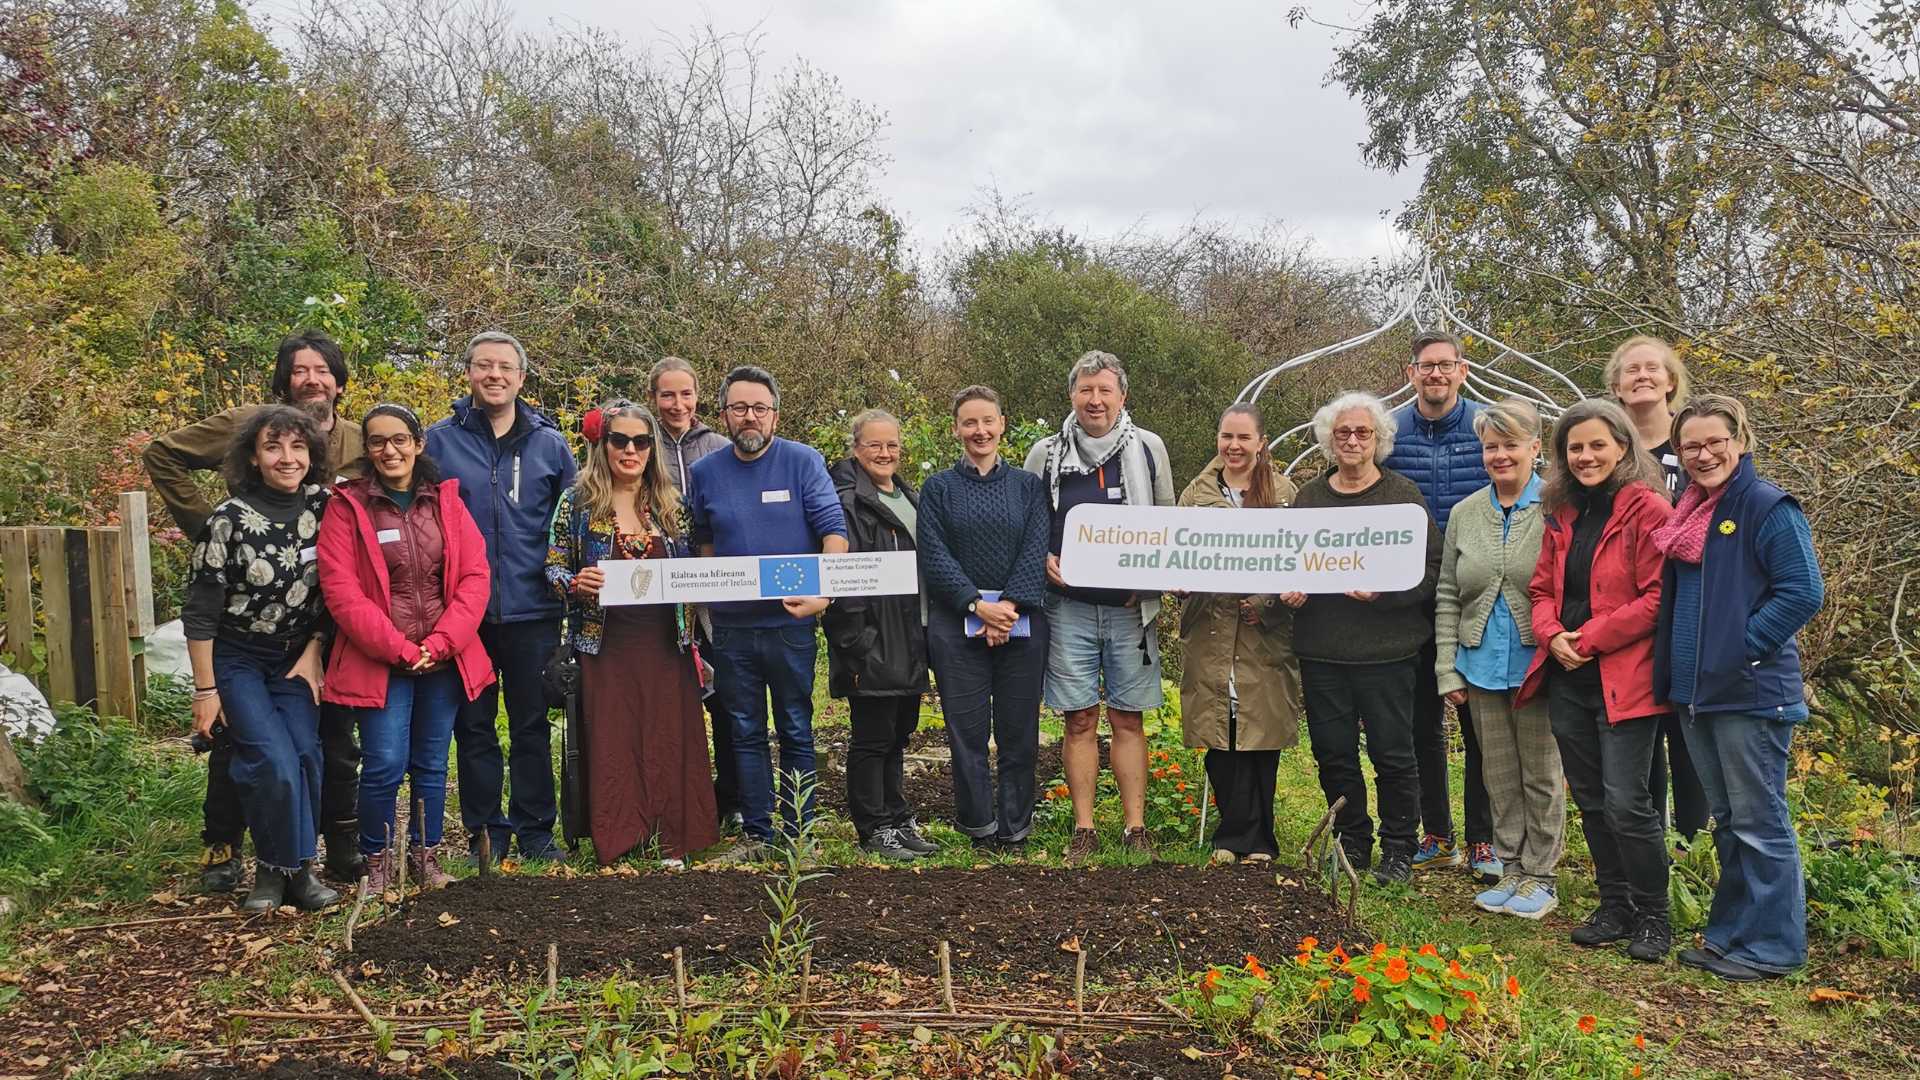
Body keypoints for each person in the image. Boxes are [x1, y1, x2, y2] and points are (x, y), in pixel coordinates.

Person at [144, 330, 368, 891]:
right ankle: (223, 850)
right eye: (299, 370)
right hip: (241, 635)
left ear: (340, 381)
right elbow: (163, 454)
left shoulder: (362, 442)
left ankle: (326, 852)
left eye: (322, 370)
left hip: (319, 628)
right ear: (283, 379)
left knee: (326, 745)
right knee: (241, 744)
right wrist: (214, 533)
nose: (311, 379)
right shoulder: (248, 424)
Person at [1654, 395, 1824, 981]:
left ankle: (1775, 947)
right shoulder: (1690, 509)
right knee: (1728, 820)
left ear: (1740, 440)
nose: (1702, 454)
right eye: (1690, 445)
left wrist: (1740, 647)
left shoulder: (1765, 506)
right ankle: (1730, 937)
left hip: (1749, 693)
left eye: (1713, 442)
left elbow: (1802, 591)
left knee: (1760, 821)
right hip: (1697, 692)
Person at [1517, 399, 1673, 962]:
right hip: (1567, 676)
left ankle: (1655, 915)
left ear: (1624, 447)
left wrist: (1590, 638)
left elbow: (1659, 597)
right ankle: (1615, 905)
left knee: (1628, 801)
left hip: (1624, 677)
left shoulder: (1648, 509)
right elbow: (1540, 591)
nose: (1585, 456)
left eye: (1596, 445)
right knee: (1589, 798)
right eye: (1574, 447)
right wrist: (1552, 634)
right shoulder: (1559, 511)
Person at [316, 405, 494, 892]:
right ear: (367, 450)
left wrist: (439, 644)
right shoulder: (346, 507)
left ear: (418, 443)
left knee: (433, 762)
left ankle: (425, 855)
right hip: (380, 660)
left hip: (443, 656)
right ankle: (376, 861)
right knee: (385, 762)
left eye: (399, 439)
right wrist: (398, 648)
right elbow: (341, 591)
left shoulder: (446, 502)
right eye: (377, 442)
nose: (389, 450)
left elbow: (475, 577)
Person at [424, 331, 577, 862]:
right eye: (483, 365)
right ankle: (485, 834)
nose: (494, 375)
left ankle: (537, 832)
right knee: (474, 726)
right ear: (467, 372)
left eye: (505, 367)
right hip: (465, 615)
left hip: (534, 609)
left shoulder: (550, 444)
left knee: (532, 723)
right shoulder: (438, 443)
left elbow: (571, 525)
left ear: (521, 377)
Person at [547, 401, 720, 867]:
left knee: (667, 737)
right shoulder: (577, 502)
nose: (630, 450)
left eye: (640, 442)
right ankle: (621, 837)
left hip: (666, 643)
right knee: (613, 739)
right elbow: (552, 568)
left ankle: (671, 839)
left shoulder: (671, 505)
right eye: (619, 440)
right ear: (602, 446)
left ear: (651, 450)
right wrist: (574, 582)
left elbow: (695, 571)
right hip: (605, 644)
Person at [686, 366, 848, 859]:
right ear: (723, 415)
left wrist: (825, 595)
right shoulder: (705, 472)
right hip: (732, 629)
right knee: (743, 729)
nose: (750, 417)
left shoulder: (803, 461)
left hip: (790, 625)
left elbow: (833, 533)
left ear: (775, 414)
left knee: (796, 726)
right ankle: (758, 834)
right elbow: (703, 542)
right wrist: (707, 600)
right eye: (739, 408)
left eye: (760, 408)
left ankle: (801, 835)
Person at [183, 406, 339, 913]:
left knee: (307, 756)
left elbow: (341, 587)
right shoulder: (228, 521)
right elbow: (201, 612)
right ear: (254, 456)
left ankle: (299, 871)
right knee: (269, 759)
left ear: (312, 453)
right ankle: (274, 872)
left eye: (297, 447)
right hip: (238, 658)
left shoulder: (327, 507)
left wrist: (316, 648)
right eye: (273, 447)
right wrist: (206, 691)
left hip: (297, 656)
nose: (286, 458)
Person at [1024, 351, 1176, 863]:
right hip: (1067, 606)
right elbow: (1031, 525)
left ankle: (1136, 829)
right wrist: (1043, 558)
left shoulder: (1148, 449)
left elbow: (1167, 527)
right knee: (1080, 719)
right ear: (1072, 395)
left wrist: (1149, 577)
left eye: (1104, 390)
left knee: (1129, 718)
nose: (1095, 400)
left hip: (1131, 609)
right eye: (1086, 390)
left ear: (1122, 396)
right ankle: (1084, 828)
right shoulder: (1045, 454)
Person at [1285, 392, 1442, 885]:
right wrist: (1289, 590)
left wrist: (1385, 594)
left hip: (1387, 653)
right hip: (1322, 651)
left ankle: (1400, 846)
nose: (1352, 440)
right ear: (1329, 441)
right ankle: (1351, 839)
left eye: (1362, 432)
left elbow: (1432, 569)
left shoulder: (1402, 496)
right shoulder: (1309, 498)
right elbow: (1289, 561)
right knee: (1333, 754)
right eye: (1343, 433)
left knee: (1393, 754)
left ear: (1379, 439)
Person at [1434, 398, 1565, 919]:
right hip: (1480, 662)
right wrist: (1448, 668)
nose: (1501, 455)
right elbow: (1448, 593)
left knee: (1541, 772)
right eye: (1492, 446)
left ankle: (1542, 874)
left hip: (1539, 663)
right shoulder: (1467, 514)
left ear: (1536, 448)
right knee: (1499, 772)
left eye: (1511, 444)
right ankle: (1510, 867)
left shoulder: (1557, 507)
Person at [1382, 331, 1498, 882]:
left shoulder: (1487, 428)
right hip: (1409, 595)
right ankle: (1436, 832)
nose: (1436, 375)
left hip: (1476, 592)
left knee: (1480, 719)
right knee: (1419, 721)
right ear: (1411, 374)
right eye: (1426, 366)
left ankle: (1483, 838)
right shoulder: (1390, 431)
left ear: (1462, 370)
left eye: (1445, 366)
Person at [919, 386, 1052, 852]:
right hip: (957, 627)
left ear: (1002, 425)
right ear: (956, 428)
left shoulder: (1027, 487)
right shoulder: (938, 489)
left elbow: (1037, 544)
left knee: (1019, 733)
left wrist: (1008, 609)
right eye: (970, 423)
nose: (980, 431)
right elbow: (935, 556)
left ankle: (1015, 828)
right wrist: (978, 607)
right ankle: (979, 827)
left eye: (988, 421)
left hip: (1022, 626)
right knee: (967, 733)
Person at [1176, 404, 1301, 864]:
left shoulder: (1285, 493)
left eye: (1243, 438)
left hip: (1262, 636)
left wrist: (1266, 602)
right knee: (1219, 732)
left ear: (1261, 442)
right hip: (1211, 630)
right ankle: (1231, 838)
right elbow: (1177, 552)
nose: (1233, 446)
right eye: (1226, 436)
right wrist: (1178, 581)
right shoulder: (1196, 493)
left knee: (1259, 735)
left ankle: (1260, 842)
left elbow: (1298, 562)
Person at [822, 410, 937, 861]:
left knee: (899, 732)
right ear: (856, 449)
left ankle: (897, 816)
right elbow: (839, 575)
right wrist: (857, 640)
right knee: (871, 738)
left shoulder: (908, 495)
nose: (885, 453)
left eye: (892, 445)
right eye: (874, 445)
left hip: (910, 634)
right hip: (872, 639)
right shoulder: (847, 501)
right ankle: (873, 828)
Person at [1607, 335, 1707, 848]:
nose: (1642, 376)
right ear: (1616, 386)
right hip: (1627, 614)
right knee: (1641, 746)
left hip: (1687, 607)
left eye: (1653, 369)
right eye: (1631, 370)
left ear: (1671, 381)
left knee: (1689, 740)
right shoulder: (1609, 451)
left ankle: (1694, 849)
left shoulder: (1695, 446)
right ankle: (1649, 852)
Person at [648, 356, 741, 830]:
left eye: (686, 394)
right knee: (673, 700)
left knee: (725, 698)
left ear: (698, 397)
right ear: (653, 398)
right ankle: (676, 802)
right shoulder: (639, 444)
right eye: (668, 394)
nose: (678, 404)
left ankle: (732, 800)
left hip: (714, 591)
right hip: (659, 593)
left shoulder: (720, 445)